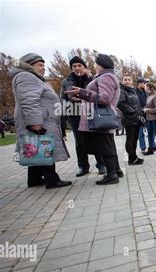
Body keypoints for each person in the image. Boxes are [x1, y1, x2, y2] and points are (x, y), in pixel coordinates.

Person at [11, 53, 72, 189]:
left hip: (41, 119)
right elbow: (29, 100)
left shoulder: (32, 78)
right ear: (29, 65)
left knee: (34, 147)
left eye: (44, 65)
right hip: (40, 120)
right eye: (40, 65)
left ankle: (35, 179)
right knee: (45, 148)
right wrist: (35, 122)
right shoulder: (26, 77)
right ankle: (52, 180)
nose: (43, 68)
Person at [65, 53, 123, 185]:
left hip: (101, 116)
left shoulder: (105, 77)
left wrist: (82, 92)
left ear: (100, 65)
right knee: (108, 143)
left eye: (96, 64)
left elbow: (104, 98)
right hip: (104, 115)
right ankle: (116, 170)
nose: (94, 66)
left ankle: (112, 174)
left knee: (105, 144)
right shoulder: (107, 76)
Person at [60, 56, 106, 177]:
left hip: (90, 111)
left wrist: (90, 77)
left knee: (95, 137)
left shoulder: (92, 78)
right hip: (74, 113)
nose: (77, 68)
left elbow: (98, 93)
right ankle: (83, 166)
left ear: (84, 67)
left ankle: (101, 164)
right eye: (74, 66)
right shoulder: (67, 81)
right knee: (79, 141)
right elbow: (63, 98)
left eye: (79, 65)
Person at [117, 74, 144, 166]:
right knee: (130, 138)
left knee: (135, 139)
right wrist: (131, 111)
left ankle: (134, 156)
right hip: (129, 118)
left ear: (132, 81)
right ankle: (131, 158)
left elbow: (138, 104)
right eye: (125, 79)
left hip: (136, 118)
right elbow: (120, 104)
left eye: (129, 79)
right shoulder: (122, 91)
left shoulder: (133, 91)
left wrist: (140, 114)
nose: (127, 81)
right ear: (122, 81)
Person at [135, 78, 148, 154]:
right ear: (139, 83)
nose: (145, 84)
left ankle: (152, 145)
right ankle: (143, 147)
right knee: (141, 132)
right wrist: (141, 109)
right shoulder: (135, 92)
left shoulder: (145, 92)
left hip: (147, 113)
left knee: (150, 131)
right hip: (139, 114)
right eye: (144, 83)